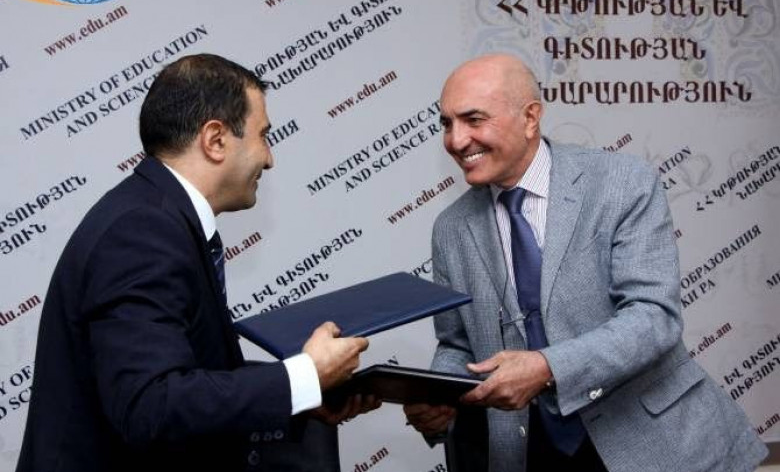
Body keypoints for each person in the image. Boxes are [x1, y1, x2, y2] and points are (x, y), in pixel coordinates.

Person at [404, 54, 768, 472]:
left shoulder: (622, 182)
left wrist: (547, 368)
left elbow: (653, 317)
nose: (456, 140)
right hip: (532, 453)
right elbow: (458, 343)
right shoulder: (450, 229)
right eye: (446, 123)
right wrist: (440, 395)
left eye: (473, 120)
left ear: (530, 118)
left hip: (654, 443)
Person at [17, 54, 374, 472]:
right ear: (215, 140)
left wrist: (304, 396)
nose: (270, 158)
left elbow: (187, 377)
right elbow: (151, 404)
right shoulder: (142, 230)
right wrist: (304, 376)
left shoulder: (157, 217)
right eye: (263, 136)